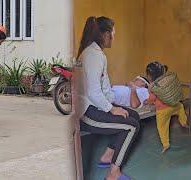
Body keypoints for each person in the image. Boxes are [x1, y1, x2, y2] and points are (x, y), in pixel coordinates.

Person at [77, 16, 140, 180]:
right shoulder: (93, 55)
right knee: (131, 126)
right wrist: (112, 109)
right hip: (87, 113)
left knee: (133, 115)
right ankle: (113, 174)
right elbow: (93, 92)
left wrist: (115, 104)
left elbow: (104, 88)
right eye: (113, 32)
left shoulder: (97, 53)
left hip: (95, 106)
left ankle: (107, 156)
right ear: (104, 34)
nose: (114, 36)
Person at [144, 62, 188, 153]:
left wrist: (147, 101)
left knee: (162, 127)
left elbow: (152, 99)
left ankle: (165, 144)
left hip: (162, 111)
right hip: (173, 105)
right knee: (180, 106)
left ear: (149, 76)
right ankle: (183, 121)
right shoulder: (166, 82)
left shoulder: (153, 86)